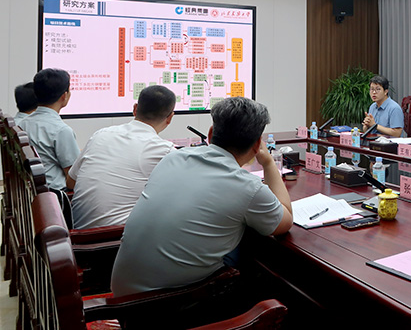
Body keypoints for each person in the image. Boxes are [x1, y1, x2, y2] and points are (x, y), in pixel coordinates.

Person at [111, 97, 293, 296]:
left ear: (211, 133)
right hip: (166, 303)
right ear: (258, 144)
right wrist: (268, 163)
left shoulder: (173, 158)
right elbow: (284, 221)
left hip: (122, 291)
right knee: (249, 249)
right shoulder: (248, 187)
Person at [68, 85, 177, 229]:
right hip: (114, 237)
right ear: (170, 118)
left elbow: (71, 182)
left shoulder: (101, 134)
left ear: (135, 109)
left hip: (77, 233)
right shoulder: (165, 150)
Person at [19, 69, 80, 191]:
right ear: (64, 96)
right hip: (55, 195)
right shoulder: (61, 130)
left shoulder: (22, 124)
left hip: (32, 192)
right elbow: (74, 177)